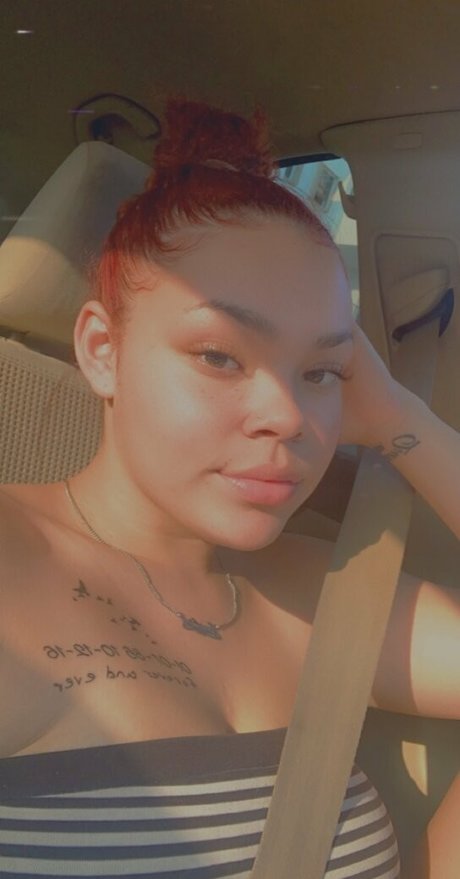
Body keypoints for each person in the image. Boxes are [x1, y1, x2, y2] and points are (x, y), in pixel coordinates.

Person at [0, 99, 458, 879]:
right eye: (219, 356)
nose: (288, 415)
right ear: (103, 349)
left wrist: (396, 416)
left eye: (321, 371)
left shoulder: (328, 593)